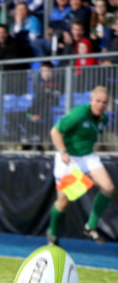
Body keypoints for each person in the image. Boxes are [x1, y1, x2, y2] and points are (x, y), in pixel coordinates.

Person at [47, 86, 115, 246]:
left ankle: (90, 226)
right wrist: (63, 151)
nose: (101, 105)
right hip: (69, 159)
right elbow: (55, 131)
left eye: (104, 102)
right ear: (91, 101)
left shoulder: (103, 118)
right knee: (63, 202)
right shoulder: (78, 114)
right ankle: (53, 234)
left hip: (88, 157)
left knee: (108, 187)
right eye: (98, 101)